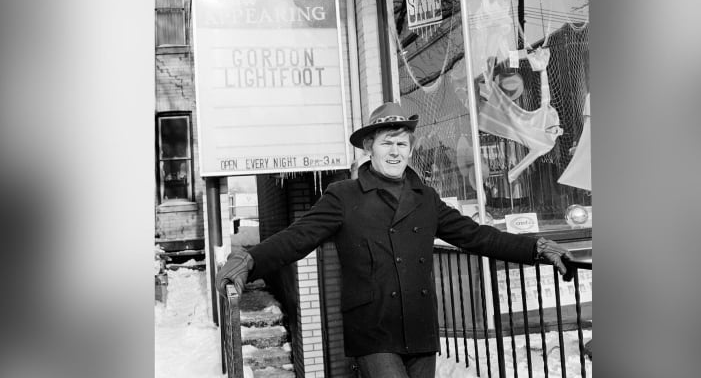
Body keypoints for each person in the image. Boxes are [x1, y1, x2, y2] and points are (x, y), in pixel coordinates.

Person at [216, 102, 574, 378]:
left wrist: (536, 246)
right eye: (388, 143)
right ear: (369, 147)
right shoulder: (344, 196)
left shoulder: (426, 198)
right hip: (372, 329)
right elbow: (299, 236)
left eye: (402, 144)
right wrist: (250, 260)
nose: (395, 152)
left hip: (419, 327)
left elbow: (476, 237)